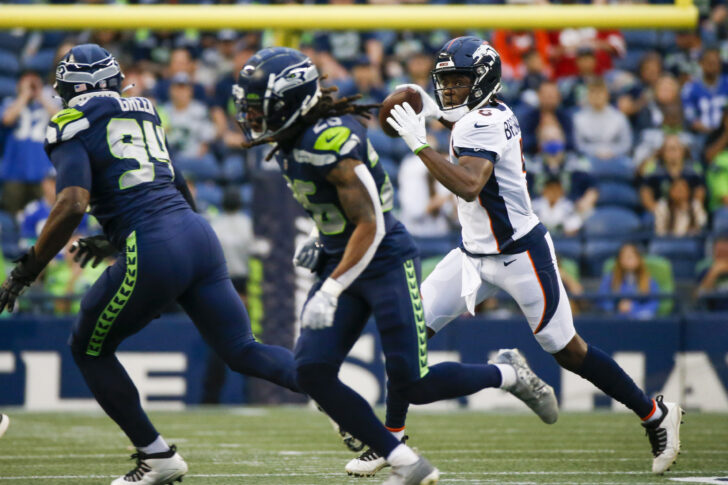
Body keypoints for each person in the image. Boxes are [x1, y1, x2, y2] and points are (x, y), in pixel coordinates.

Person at [234, 46, 558, 485]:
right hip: (345, 253)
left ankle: (506, 375)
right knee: (311, 370)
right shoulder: (292, 140)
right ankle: (405, 462)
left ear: (289, 102)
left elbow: (371, 221)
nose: (252, 118)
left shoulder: (329, 142)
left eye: (260, 108)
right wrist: (322, 235)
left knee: (412, 383)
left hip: (383, 258)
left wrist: (331, 288)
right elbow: (339, 208)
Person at [377, 36, 682, 478]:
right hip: (472, 254)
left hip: (519, 253)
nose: (449, 90)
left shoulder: (480, 123)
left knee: (568, 352)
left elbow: (468, 184)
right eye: (445, 82)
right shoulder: (485, 114)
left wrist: (418, 143)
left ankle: (654, 413)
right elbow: (461, 124)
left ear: (482, 82)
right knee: (408, 333)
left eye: (459, 82)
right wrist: (431, 112)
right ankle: (391, 439)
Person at [0, 44, 304, 485]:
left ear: (68, 89)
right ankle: (344, 403)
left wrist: (27, 268)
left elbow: (71, 202)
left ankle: (158, 457)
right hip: (196, 232)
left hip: (154, 241)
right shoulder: (142, 110)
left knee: (88, 347)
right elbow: (174, 182)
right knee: (243, 350)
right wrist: (119, 237)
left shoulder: (70, 122)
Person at [0, 70, 59, 213]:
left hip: (42, 172)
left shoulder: (48, 103)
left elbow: (59, 118)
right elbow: (7, 119)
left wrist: (41, 96)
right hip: (13, 171)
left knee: (45, 213)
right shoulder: (9, 102)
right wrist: (24, 95)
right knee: (11, 214)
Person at [574, 78, 632, 160]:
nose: (597, 96)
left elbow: (626, 144)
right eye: (593, 92)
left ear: (607, 95)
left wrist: (612, 152)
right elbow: (578, 145)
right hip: (589, 158)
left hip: (615, 157)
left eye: (600, 92)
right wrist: (595, 152)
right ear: (588, 95)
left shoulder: (619, 117)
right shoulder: (579, 118)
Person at [597, 243, 660, 319]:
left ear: (638, 258)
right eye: (624, 256)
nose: (628, 259)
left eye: (631, 256)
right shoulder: (610, 279)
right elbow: (602, 300)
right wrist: (617, 307)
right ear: (619, 259)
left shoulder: (648, 280)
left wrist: (633, 308)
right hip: (616, 320)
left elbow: (653, 304)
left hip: (639, 321)